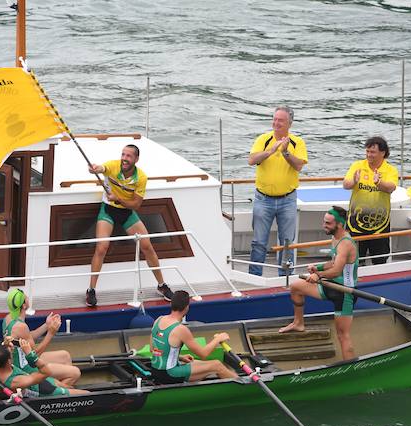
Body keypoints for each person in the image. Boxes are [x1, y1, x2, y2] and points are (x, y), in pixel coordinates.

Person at [84, 144, 174, 307]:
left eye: (128, 156)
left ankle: (161, 285)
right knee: (102, 247)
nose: (124, 158)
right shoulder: (112, 166)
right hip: (108, 211)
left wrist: (118, 199)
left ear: (136, 159)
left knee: (147, 246)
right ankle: (91, 290)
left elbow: (136, 205)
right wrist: (95, 169)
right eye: (123, 155)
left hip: (127, 212)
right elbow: (100, 168)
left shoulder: (141, 177)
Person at [278, 206, 359, 360]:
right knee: (296, 287)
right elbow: (333, 263)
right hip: (330, 285)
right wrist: (318, 267)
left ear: (340, 224)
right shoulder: (335, 238)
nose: (324, 225)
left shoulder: (346, 243)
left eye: (328, 223)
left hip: (345, 293)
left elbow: (337, 270)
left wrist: (318, 275)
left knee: (343, 335)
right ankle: (298, 323)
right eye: (324, 222)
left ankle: (350, 368)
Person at [247, 106, 309, 276]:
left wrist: (286, 152)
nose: (276, 123)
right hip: (263, 199)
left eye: (280, 120)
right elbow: (251, 160)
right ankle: (254, 276)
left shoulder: (298, 142)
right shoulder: (263, 139)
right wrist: (271, 150)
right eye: (274, 119)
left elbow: (298, 166)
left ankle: (286, 277)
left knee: (287, 242)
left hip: (287, 199)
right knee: (258, 242)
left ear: (290, 123)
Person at [148, 290, 237, 384]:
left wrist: (180, 357)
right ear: (187, 307)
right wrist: (218, 339)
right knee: (217, 365)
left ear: (172, 304)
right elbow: (203, 354)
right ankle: (245, 384)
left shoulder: (159, 319)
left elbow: (153, 349)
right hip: (169, 374)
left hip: (156, 371)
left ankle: (234, 377)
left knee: (197, 362)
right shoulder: (180, 329)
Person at [3, 288, 80, 386]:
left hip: (19, 360)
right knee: (75, 373)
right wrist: (51, 333)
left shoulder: (8, 318)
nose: (28, 298)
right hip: (26, 367)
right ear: (24, 305)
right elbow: (35, 354)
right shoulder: (21, 326)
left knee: (65, 356)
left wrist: (47, 325)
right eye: (26, 297)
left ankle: (58, 384)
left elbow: (28, 336)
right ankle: (55, 389)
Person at [343, 136, 398, 264]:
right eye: (367, 151)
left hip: (380, 224)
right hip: (355, 222)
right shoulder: (357, 166)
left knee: (379, 259)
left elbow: (391, 187)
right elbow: (345, 185)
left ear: (383, 153)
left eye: (372, 152)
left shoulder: (390, 170)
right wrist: (354, 181)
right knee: (353, 259)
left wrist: (379, 183)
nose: (369, 155)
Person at [0, 339, 88, 397]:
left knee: (69, 387)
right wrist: (30, 354)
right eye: (11, 352)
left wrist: (5, 342)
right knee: (87, 394)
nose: (13, 350)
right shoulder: (17, 381)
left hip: (38, 381)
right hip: (44, 391)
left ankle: (67, 390)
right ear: (9, 361)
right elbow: (46, 372)